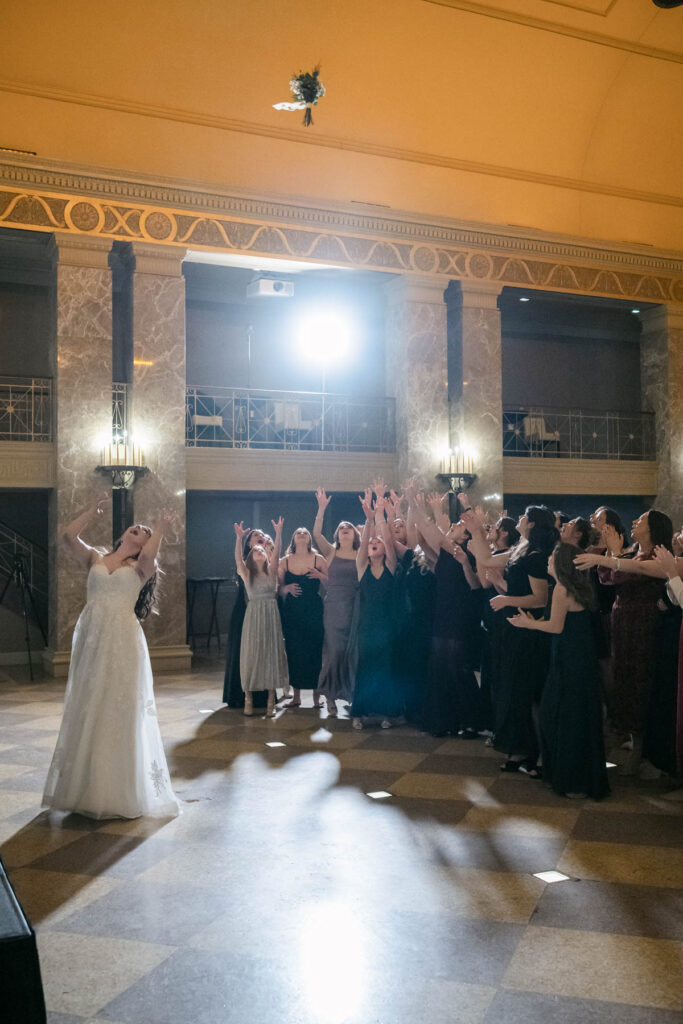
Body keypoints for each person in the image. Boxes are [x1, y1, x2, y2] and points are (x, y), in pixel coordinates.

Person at [42, 495, 179, 820]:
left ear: (143, 544)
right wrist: (91, 511)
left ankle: (118, 791)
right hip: (92, 637)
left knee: (118, 705)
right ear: (122, 536)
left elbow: (151, 554)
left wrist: (160, 529)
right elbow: (68, 536)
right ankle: (85, 788)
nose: (138, 529)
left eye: (143, 532)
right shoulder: (95, 557)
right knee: (89, 703)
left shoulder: (142, 567)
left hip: (123, 641)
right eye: (135, 527)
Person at [575, 509, 673, 774]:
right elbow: (606, 578)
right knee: (624, 679)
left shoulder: (658, 556)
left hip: (643, 624)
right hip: (624, 623)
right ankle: (629, 739)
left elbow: (625, 573)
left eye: (641, 520)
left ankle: (640, 749)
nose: (634, 522)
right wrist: (612, 553)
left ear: (653, 529)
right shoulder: (635, 553)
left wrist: (612, 554)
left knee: (639, 681)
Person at [510, 543, 609, 800]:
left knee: (564, 716)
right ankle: (576, 778)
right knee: (576, 715)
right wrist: (533, 622)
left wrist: (528, 624)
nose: (548, 560)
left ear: (561, 562)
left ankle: (572, 780)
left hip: (569, 660)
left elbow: (556, 627)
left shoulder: (561, 589)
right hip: (579, 659)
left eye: (552, 557)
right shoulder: (578, 587)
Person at [351, 490, 401, 729]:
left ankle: (385, 713)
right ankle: (359, 713)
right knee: (365, 668)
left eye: (377, 542)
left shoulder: (391, 564)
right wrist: (369, 519)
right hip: (367, 625)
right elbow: (362, 545)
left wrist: (380, 514)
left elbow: (389, 543)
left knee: (385, 668)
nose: (373, 544)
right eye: (372, 543)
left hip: (387, 624)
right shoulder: (362, 567)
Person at [313, 488, 361, 714]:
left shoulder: (362, 553)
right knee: (334, 653)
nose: (344, 529)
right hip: (333, 607)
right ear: (337, 534)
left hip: (355, 606)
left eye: (348, 527)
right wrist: (321, 508)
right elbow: (316, 533)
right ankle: (331, 697)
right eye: (341, 528)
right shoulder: (331, 551)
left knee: (353, 653)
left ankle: (351, 695)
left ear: (355, 534)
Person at [234, 517, 289, 717]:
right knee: (251, 654)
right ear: (250, 556)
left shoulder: (272, 571)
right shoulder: (247, 573)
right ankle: (248, 698)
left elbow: (278, 552)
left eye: (262, 550)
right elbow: (238, 559)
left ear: (267, 556)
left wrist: (279, 533)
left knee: (271, 653)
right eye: (256, 550)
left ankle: (270, 701)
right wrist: (239, 538)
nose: (259, 551)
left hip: (271, 614)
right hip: (254, 614)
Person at [222, 527, 270, 710]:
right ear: (249, 542)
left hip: (265, 610)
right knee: (242, 650)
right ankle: (239, 694)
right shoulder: (244, 562)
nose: (260, 537)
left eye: (262, 535)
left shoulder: (268, 562)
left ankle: (262, 696)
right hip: (244, 609)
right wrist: (238, 538)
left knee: (262, 651)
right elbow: (239, 562)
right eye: (256, 535)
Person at [278, 527, 325, 709]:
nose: (302, 534)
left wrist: (321, 575)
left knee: (314, 650)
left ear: (309, 539)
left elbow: (332, 584)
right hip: (293, 611)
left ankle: (316, 697)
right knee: (294, 650)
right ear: (293, 539)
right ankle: (296, 696)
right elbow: (278, 588)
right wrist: (286, 588)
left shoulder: (318, 559)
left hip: (313, 609)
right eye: (298, 532)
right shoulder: (284, 561)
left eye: (305, 532)